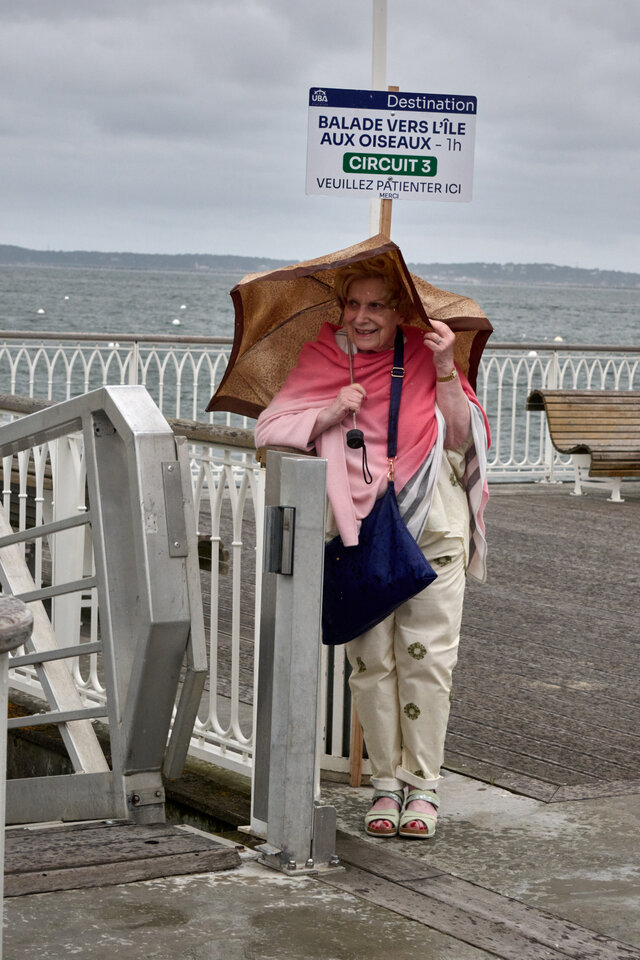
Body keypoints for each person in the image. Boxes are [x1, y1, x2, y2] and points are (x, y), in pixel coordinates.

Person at [254, 256, 489, 839]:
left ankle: (424, 787)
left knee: (426, 660)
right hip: (357, 529)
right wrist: (328, 412)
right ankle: (386, 784)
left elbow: (461, 438)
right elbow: (267, 428)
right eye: (352, 305)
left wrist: (441, 367)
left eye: (376, 305)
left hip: (431, 525)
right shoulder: (322, 357)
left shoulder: (427, 351)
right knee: (369, 664)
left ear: (399, 310)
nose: (362, 317)